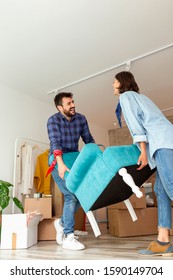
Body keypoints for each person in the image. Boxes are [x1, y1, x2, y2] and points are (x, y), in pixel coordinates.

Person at [113, 71, 173, 256]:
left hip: (163, 143)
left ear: (122, 83)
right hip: (167, 140)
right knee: (161, 192)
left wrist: (143, 152)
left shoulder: (126, 97)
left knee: (171, 186)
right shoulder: (141, 97)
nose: (112, 85)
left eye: (114, 81)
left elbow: (136, 125)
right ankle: (163, 241)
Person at [47, 92, 95, 250]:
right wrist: (59, 163)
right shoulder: (53, 120)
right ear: (60, 107)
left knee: (82, 195)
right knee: (71, 194)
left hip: (75, 158)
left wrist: (97, 158)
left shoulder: (81, 119)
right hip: (58, 159)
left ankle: (61, 223)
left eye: (73, 102)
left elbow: (88, 140)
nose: (73, 105)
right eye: (69, 103)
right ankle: (68, 236)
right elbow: (55, 142)